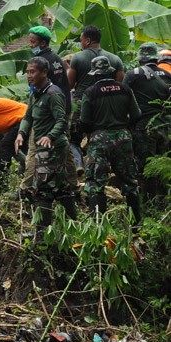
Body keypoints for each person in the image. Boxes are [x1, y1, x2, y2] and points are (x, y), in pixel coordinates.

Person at [15, 57, 78, 235]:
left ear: (44, 72)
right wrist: (21, 133)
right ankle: (75, 226)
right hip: (42, 147)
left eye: (32, 71)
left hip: (53, 148)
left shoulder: (53, 93)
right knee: (61, 187)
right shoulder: (35, 93)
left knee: (42, 189)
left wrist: (50, 136)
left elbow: (61, 120)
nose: (29, 75)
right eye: (27, 72)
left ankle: (42, 235)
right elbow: (28, 117)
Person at [79, 55, 142, 224]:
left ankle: (98, 227)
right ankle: (136, 226)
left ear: (96, 74)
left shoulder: (90, 92)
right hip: (123, 137)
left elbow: (84, 121)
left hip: (99, 140)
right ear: (110, 72)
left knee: (95, 183)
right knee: (129, 182)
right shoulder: (125, 89)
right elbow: (136, 114)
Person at [123, 42, 171, 197]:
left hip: (144, 126)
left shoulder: (133, 75)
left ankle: (148, 202)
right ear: (156, 59)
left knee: (145, 166)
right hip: (164, 125)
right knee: (162, 164)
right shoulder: (167, 75)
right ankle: (163, 201)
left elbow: (124, 101)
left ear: (140, 59)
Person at [67, 25, 125, 149]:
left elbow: (69, 84)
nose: (80, 43)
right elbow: (120, 84)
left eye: (81, 40)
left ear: (87, 40)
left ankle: (79, 164)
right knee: (100, 134)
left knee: (73, 139)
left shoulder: (77, 58)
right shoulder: (115, 59)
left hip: (81, 103)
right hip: (106, 104)